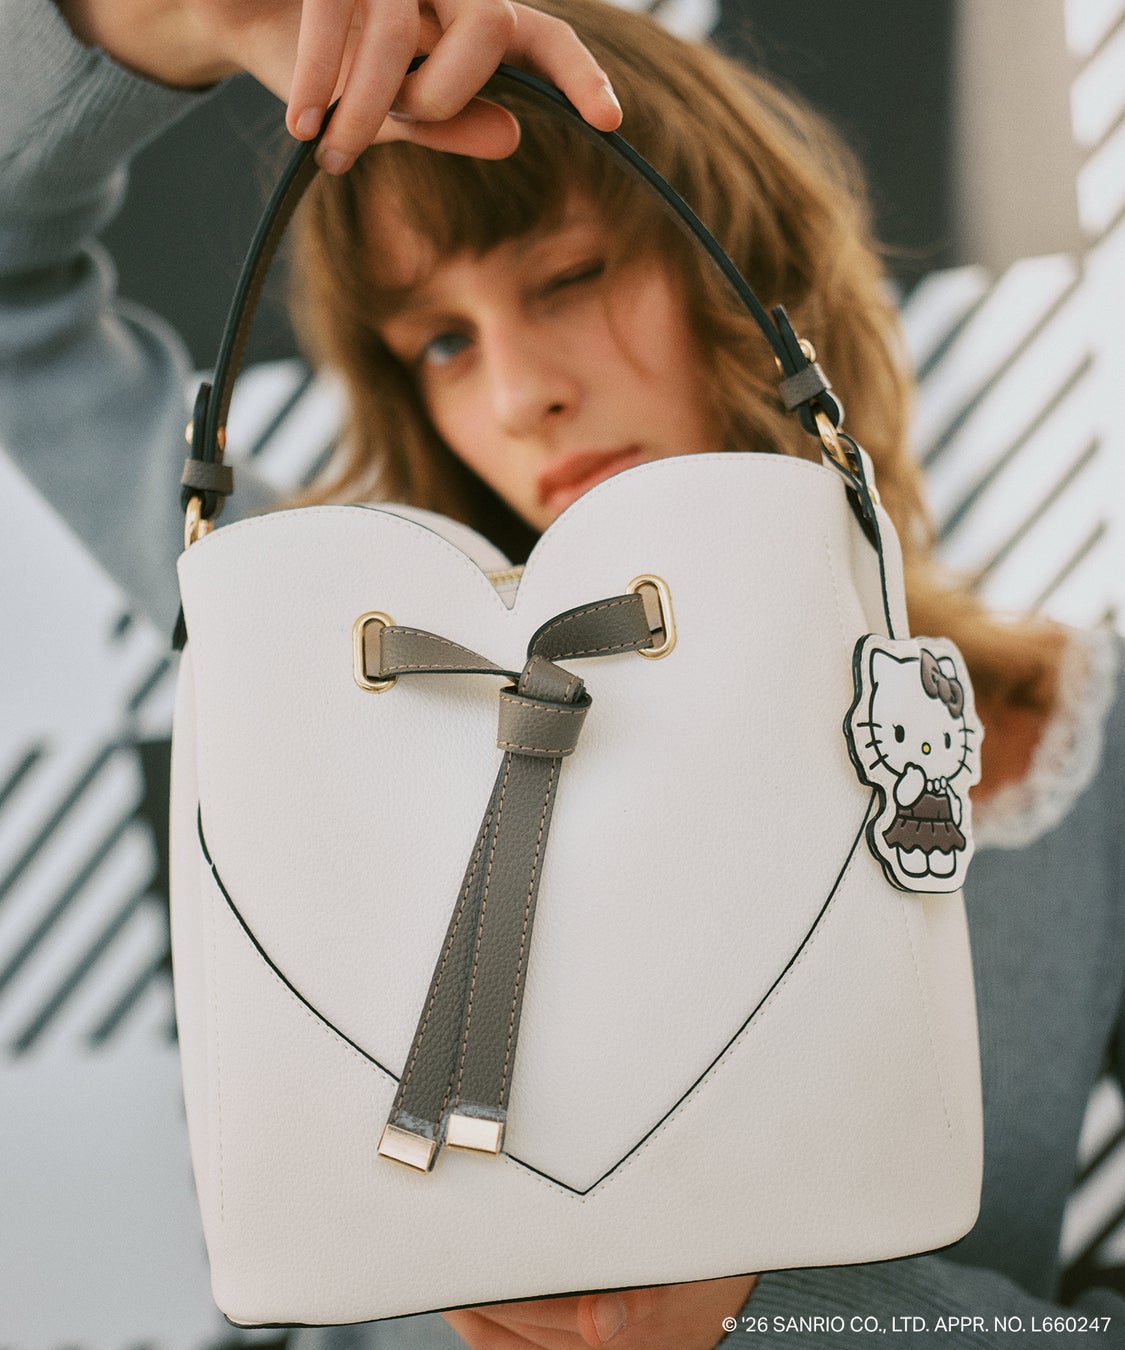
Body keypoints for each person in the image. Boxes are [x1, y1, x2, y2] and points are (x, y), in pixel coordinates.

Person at [1, 0, 1122, 1346]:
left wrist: (771, 1317)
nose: (516, 392)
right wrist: (160, 22)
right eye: (442, 340)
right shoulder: (350, 668)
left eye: (570, 276)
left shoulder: (1079, 751)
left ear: (746, 266)